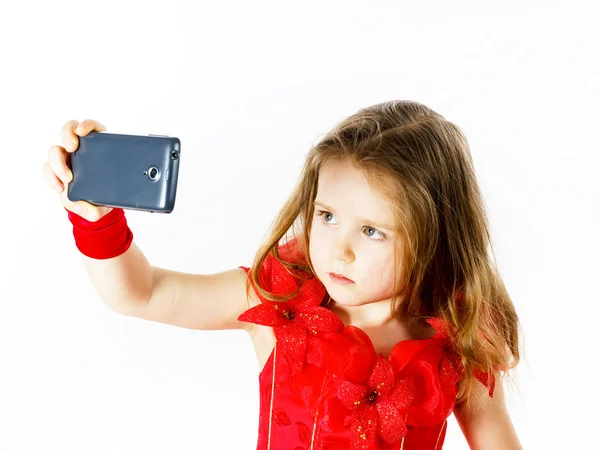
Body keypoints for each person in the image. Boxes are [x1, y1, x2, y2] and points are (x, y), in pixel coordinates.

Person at [43, 100, 523, 449]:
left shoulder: (461, 344)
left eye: (373, 231)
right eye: (327, 216)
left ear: (436, 237)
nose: (340, 250)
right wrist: (95, 220)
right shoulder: (278, 304)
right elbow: (144, 293)